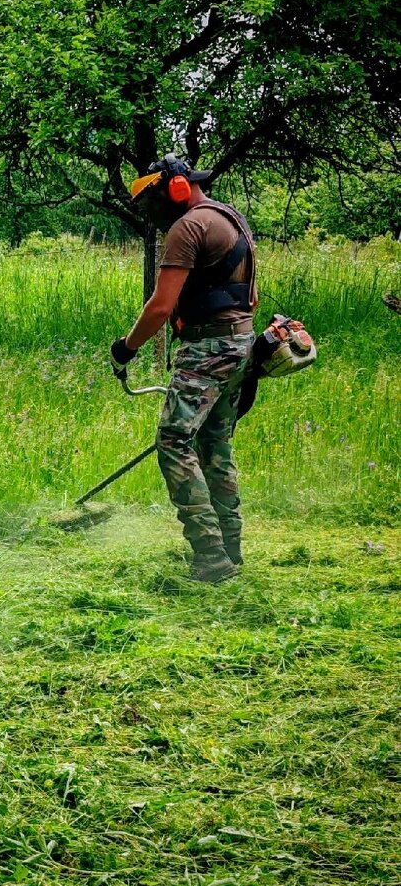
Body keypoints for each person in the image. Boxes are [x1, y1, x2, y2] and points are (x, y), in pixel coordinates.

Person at [110, 154, 257, 583]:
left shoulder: (188, 226)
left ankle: (210, 557)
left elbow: (160, 306)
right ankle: (230, 549)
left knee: (173, 440)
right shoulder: (229, 217)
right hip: (238, 343)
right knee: (215, 445)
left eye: (152, 200)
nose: (152, 212)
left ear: (174, 189)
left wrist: (125, 348)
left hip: (208, 347)